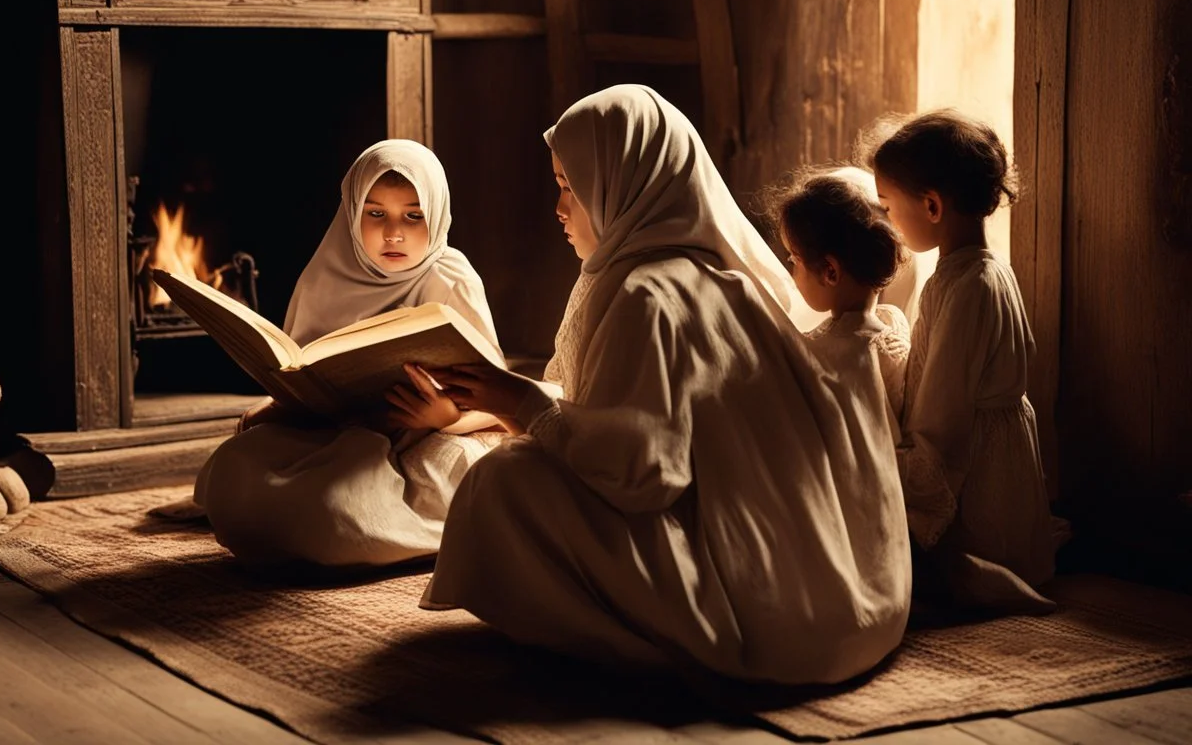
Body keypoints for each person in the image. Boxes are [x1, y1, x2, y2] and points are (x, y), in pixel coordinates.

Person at [420, 85, 911, 685]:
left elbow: (643, 472)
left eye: (571, 186)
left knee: (501, 480)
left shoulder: (647, 294)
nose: (559, 207)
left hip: (771, 622)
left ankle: (649, 650)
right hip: (846, 603)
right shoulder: (724, 279)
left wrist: (520, 404)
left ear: (624, 185)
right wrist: (512, 400)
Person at [193, 139, 506, 567]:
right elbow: (300, 374)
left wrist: (446, 418)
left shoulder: (452, 279)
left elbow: (499, 396)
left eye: (413, 216)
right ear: (351, 210)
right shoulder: (326, 273)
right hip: (328, 432)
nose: (393, 233)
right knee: (233, 472)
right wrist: (275, 408)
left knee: (337, 507)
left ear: (436, 214)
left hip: (423, 441)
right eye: (375, 213)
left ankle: (356, 528)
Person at [871, 108, 1056, 612]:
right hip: (987, 445)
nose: (886, 220)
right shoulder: (970, 271)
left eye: (888, 207)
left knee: (939, 573)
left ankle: (995, 581)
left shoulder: (972, 285)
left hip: (978, 465)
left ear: (931, 206)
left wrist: (915, 496)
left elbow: (944, 415)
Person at [768, 166, 910, 427]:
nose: (791, 271)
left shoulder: (819, 352)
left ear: (830, 272)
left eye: (794, 260)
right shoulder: (894, 324)